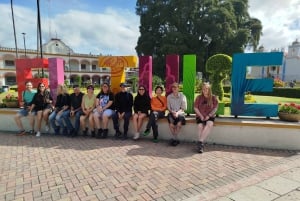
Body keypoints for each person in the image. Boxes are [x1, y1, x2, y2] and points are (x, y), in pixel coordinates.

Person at [194, 82, 218, 153]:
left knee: (209, 124)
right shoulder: (199, 97)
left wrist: (209, 116)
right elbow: (195, 108)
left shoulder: (213, 98)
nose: (205, 90)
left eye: (207, 89)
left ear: (209, 89)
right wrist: (201, 116)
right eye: (204, 89)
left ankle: (200, 142)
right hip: (200, 115)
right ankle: (200, 145)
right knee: (200, 126)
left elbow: (215, 108)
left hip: (210, 115)